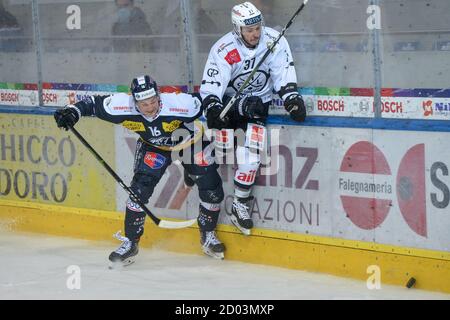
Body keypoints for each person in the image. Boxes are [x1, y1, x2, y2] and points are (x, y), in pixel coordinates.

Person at [54, 75, 226, 265]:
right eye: (144, 104)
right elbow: (91, 104)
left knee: (212, 189)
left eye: (153, 101)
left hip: (189, 143)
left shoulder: (180, 103)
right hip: (154, 147)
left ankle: (207, 234)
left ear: (159, 96)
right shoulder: (120, 105)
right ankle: (131, 243)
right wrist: (71, 112)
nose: (151, 107)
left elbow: (209, 99)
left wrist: (217, 112)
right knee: (138, 193)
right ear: (134, 101)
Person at [200, 2, 306, 236]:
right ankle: (195, 169)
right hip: (230, 106)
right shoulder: (224, 48)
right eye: (249, 30)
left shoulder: (273, 40)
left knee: (251, 159)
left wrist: (291, 98)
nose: (255, 34)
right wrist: (213, 107)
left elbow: (282, 72)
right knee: (215, 152)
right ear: (238, 29)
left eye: (257, 28)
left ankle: (239, 205)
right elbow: (212, 85)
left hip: (258, 106)